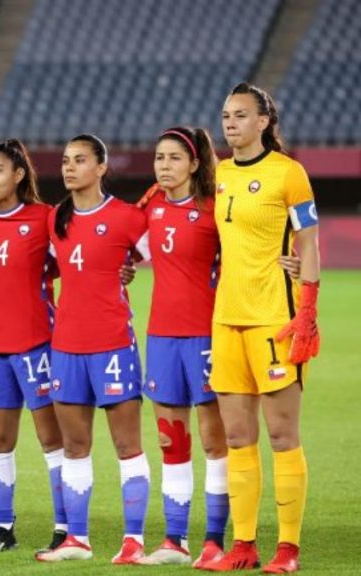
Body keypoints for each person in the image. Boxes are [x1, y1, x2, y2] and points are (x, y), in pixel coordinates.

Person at [198, 83, 321, 574]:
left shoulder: (288, 173)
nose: (230, 123)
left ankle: (287, 550)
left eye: (241, 115)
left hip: (275, 319)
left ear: (263, 122)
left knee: (282, 435)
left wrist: (308, 309)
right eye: (226, 115)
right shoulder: (222, 173)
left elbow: (309, 242)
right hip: (226, 319)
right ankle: (243, 546)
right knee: (237, 436)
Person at [36, 134, 151, 564]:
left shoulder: (127, 217)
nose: (69, 167)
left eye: (80, 160)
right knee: (74, 446)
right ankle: (77, 540)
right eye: (66, 160)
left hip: (113, 344)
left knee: (127, 445)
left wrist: (129, 267)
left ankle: (134, 540)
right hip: (66, 345)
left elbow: (163, 256)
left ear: (102, 167)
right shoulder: (55, 218)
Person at [0, 139, 68, 554]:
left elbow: (70, 263)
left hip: (37, 344)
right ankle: (2, 529)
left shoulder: (44, 217)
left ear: (19, 174)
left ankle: (64, 528)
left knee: (51, 439)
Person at [134, 127, 229, 566]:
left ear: (194, 164)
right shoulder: (151, 205)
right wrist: (125, 267)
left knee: (214, 441)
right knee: (171, 441)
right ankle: (175, 540)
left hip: (206, 335)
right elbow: (125, 249)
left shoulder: (214, 207)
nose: (164, 166)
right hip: (162, 337)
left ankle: (214, 540)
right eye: (159, 158)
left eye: (174, 158)